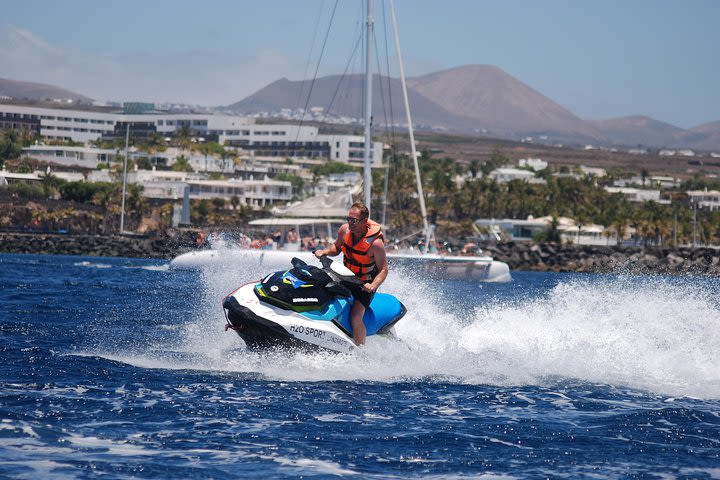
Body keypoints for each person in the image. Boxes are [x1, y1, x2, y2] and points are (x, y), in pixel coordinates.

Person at [314, 201, 388, 346]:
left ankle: (360, 350)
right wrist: (324, 252)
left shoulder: (375, 244)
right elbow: (336, 247)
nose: (350, 223)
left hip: (364, 285)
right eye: (348, 219)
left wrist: (373, 285)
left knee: (355, 315)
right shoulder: (344, 231)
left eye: (353, 220)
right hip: (345, 276)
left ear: (364, 221)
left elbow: (384, 269)